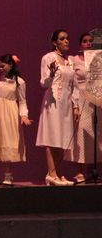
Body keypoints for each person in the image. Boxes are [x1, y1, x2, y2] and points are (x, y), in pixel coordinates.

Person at [36, 29, 77, 186]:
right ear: (55, 42)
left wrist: (76, 106)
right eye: (62, 39)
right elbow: (43, 83)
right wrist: (51, 75)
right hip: (53, 102)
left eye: (67, 38)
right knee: (52, 137)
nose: (66, 41)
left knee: (63, 138)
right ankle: (51, 174)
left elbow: (75, 86)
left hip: (66, 104)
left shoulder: (70, 61)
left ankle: (58, 174)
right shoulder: (48, 58)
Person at [0, 55, 31, 184]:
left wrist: (24, 115)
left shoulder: (19, 81)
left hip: (10, 113)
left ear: (11, 65)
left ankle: (8, 175)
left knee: (8, 141)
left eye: (3, 66)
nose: (1, 68)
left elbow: (22, 101)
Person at [67, 32, 100, 182]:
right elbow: (71, 81)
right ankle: (79, 171)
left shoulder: (98, 59)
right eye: (85, 41)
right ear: (80, 44)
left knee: (95, 134)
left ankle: (94, 171)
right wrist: (75, 105)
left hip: (94, 98)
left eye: (90, 41)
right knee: (80, 133)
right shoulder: (73, 59)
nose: (88, 43)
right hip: (80, 98)